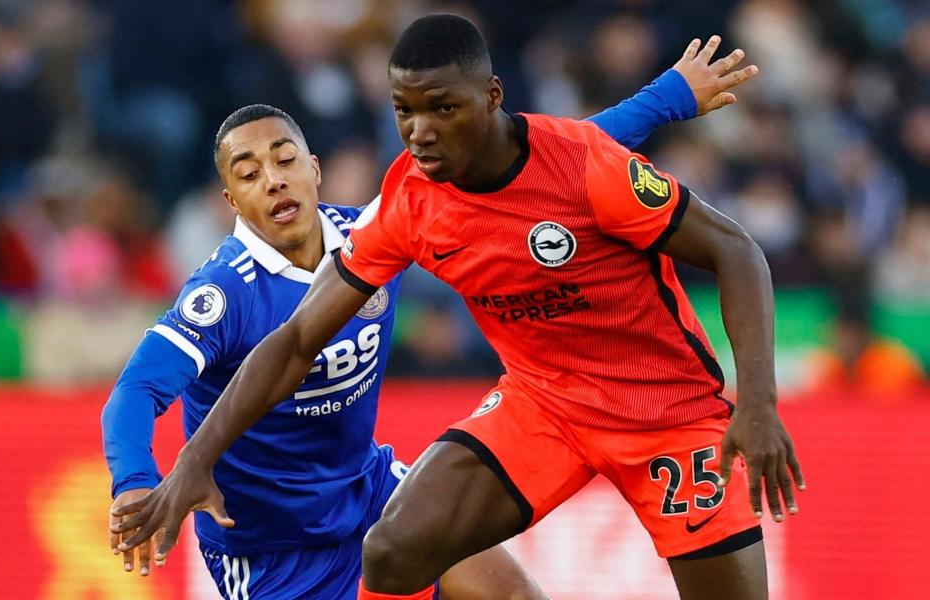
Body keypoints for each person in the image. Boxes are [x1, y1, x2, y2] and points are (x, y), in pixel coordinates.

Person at [109, 16, 782, 600]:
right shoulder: (396, 209)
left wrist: (756, 402)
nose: (420, 134)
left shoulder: (575, 170)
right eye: (404, 112)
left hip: (666, 415)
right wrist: (187, 461)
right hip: (536, 410)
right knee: (395, 550)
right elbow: (283, 345)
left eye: (440, 110)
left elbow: (721, 241)